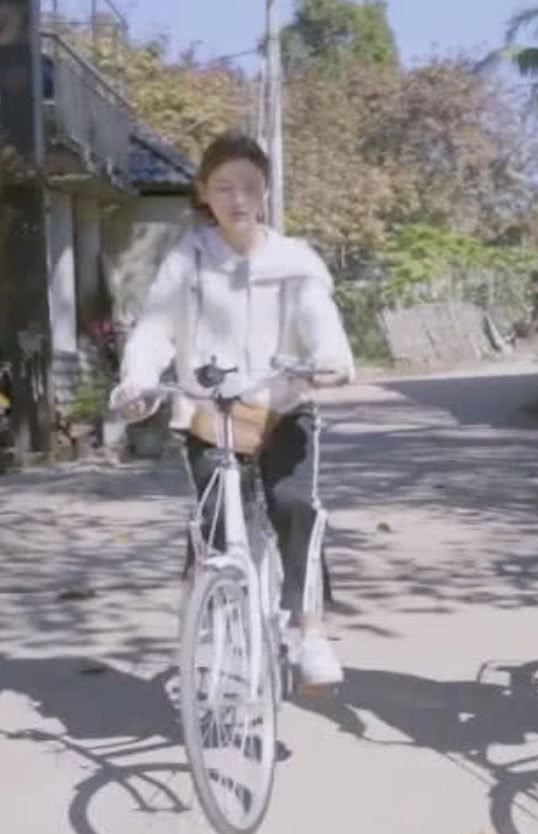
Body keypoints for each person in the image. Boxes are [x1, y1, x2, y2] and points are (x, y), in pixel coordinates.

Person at [109, 130, 355, 687]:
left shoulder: (294, 259)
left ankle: (310, 629)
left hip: (282, 407)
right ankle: (218, 612)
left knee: (295, 505)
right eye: (223, 187)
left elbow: (319, 315)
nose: (237, 198)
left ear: (265, 191)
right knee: (218, 522)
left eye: (249, 186)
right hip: (210, 414)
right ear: (204, 192)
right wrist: (138, 380)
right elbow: (155, 328)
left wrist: (331, 359)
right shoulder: (187, 260)